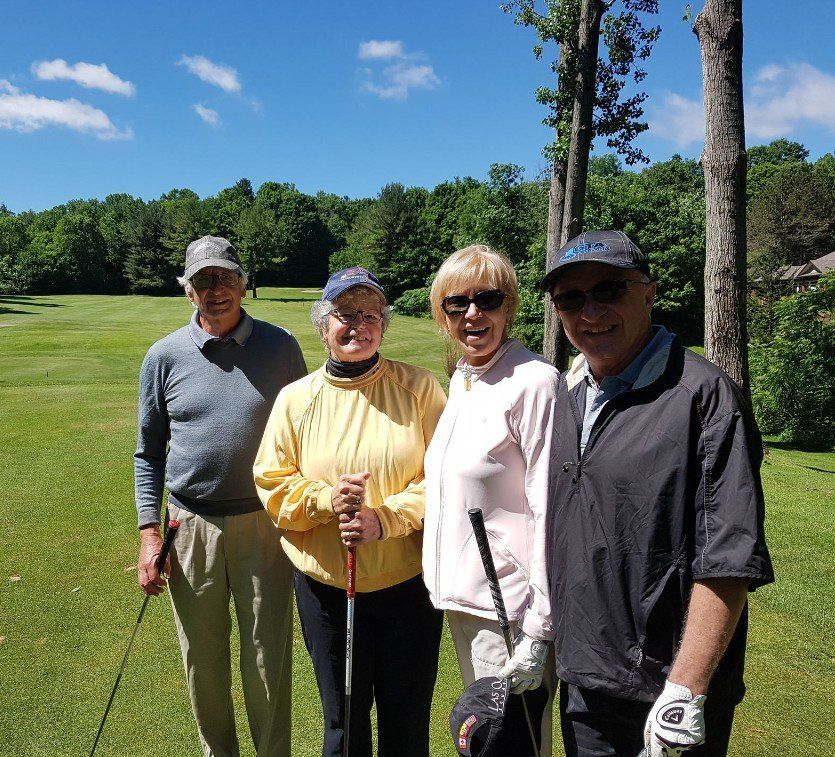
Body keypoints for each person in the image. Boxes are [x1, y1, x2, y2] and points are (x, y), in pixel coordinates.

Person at [540, 230, 775, 757]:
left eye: (608, 290)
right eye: (571, 298)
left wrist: (686, 690)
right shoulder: (568, 398)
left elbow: (727, 558)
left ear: (648, 293)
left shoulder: (703, 396)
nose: (590, 311)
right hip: (585, 682)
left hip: (666, 694)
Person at [253, 267, 446, 757]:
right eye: (345, 314)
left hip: (408, 587)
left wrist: (385, 519)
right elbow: (272, 483)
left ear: (383, 324)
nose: (358, 324)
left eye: (370, 314)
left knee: (407, 722)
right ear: (324, 325)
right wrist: (325, 500)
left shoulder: (420, 389)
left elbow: (446, 480)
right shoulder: (296, 399)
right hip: (327, 591)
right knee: (343, 722)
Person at [134, 236, 306, 757]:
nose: (216, 289)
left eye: (225, 277)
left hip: (265, 524)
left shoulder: (281, 347)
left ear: (244, 283)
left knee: (267, 658)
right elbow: (148, 452)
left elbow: (307, 433)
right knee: (202, 661)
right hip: (189, 527)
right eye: (203, 280)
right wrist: (149, 534)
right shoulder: (163, 356)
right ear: (188, 290)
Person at [422, 245, 560, 756]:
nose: (473, 313)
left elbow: (550, 508)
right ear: (443, 314)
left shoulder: (535, 382)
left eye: (488, 299)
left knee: (511, 744)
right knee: (484, 740)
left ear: (510, 306)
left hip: (511, 611)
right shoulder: (464, 377)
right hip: (467, 602)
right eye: (457, 303)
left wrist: (539, 628)